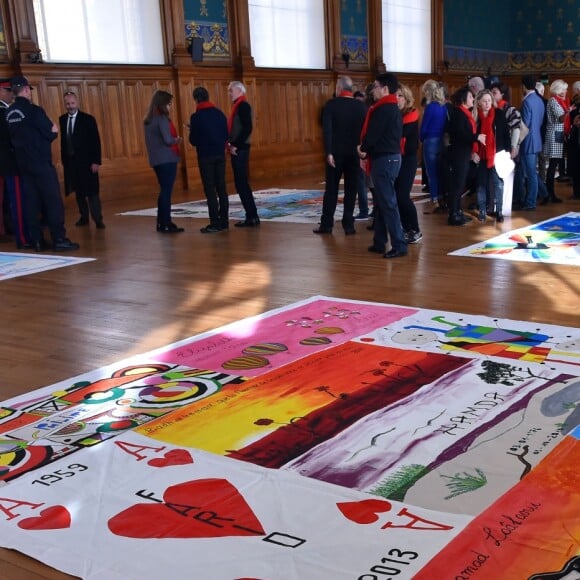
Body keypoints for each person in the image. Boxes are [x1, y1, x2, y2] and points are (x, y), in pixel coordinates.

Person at [6, 76, 79, 252]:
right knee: (53, 201)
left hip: (23, 165)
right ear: (25, 90)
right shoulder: (34, 111)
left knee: (31, 203)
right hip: (41, 163)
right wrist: (53, 131)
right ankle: (59, 239)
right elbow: (51, 132)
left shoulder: (9, 114)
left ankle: (37, 240)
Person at [359, 72, 407, 258]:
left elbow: (373, 134)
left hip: (384, 160)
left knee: (387, 203)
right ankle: (379, 242)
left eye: (376, 86)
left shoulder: (383, 108)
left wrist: (363, 149)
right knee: (381, 202)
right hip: (390, 158)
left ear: (385, 89)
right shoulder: (391, 107)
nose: (374, 90)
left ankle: (399, 244)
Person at [314, 75, 367, 235]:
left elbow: (327, 130)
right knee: (352, 189)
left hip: (335, 154)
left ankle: (327, 224)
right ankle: (348, 224)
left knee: (331, 189)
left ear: (338, 89)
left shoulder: (331, 105)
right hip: (355, 154)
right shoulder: (361, 107)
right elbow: (365, 132)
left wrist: (328, 151)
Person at [59, 91, 105, 229]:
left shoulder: (88, 119)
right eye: (68, 103)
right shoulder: (62, 119)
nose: (70, 106)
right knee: (78, 192)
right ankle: (84, 217)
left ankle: (98, 219)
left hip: (88, 163)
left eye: (72, 103)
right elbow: (64, 142)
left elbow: (95, 141)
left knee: (92, 192)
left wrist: (96, 161)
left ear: (77, 102)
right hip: (72, 163)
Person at [189, 86, 229, 233]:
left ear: (196, 99)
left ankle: (215, 222)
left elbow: (193, 140)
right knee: (222, 188)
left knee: (210, 190)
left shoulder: (196, 117)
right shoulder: (219, 114)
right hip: (220, 154)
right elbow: (226, 134)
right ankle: (224, 221)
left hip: (205, 156)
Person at [144, 90, 183, 234]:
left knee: (163, 191)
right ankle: (166, 222)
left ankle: (161, 222)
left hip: (156, 160)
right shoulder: (161, 119)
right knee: (166, 192)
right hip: (167, 159)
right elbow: (167, 140)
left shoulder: (148, 120)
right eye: (169, 103)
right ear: (163, 104)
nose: (170, 106)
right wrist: (177, 140)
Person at [446, 86, 485, 225]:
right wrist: (476, 137)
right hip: (459, 152)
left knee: (460, 183)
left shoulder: (463, 113)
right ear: (463, 99)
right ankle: (454, 214)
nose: (473, 99)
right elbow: (461, 134)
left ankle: (458, 212)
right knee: (457, 184)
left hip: (463, 152)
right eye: (470, 97)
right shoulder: (459, 113)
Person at [473, 89, 510, 222]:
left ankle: (499, 210)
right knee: (481, 184)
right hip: (481, 155)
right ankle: (482, 210)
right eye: (484, 101)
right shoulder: (476, 117)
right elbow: (472, 136)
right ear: (479, 102)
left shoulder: (499, 114)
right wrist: (473, 152)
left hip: (497, 154)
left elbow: (506, 133)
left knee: (498, 183)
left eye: (489, 100)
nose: (487, 103)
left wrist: (508, 151)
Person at [227, 81, 259, 227]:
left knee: (242, 183)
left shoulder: (243, 106)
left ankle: (252, 216)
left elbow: (247, 128)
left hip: (240, 148)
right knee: (240, 183)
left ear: (239, 90)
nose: (229, 93)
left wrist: (235, 145)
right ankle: (251, 215)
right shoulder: (238, 106)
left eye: (231, 90)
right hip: (238, 147)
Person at [395, 83, 422, 243]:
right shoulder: (394, 114)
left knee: (402, 195)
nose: (397, 99)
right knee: (397, 197)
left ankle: (415, 229)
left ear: (407, 99)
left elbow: (405, 140)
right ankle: (406, 228)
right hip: (396, 159)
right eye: (396, 96)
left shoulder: (411, 115)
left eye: (400, 96)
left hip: (408, 160)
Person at [519, 75, 548, 210]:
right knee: (532, 172)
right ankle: (544, 192)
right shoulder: (539, 100)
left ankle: (531, 203)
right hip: (537, 139)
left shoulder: (526, 102)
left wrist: (517, 142)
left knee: (530, 173)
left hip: (527, 141)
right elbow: (540, 122)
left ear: (524, 86)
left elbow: (524, 125)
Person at [420, 79, 447, 210]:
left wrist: (421, 138)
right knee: (440, 171)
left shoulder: (430, 107)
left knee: (431, 173)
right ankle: (441, 197)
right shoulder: (443, 106)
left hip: (430, 141)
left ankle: (434, 199)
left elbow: (424, 127)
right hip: (441, 141)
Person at [542, 79, 568, 204]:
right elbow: (561, 119)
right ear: (558, 89)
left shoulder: (559, 101)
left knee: (554, 165)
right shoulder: (553, 101)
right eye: (564, 89)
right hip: (554, 135)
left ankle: (550, 193)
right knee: (552, 167)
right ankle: (550, 193)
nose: (566, 91)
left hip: (557, 134)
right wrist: (569, 111)